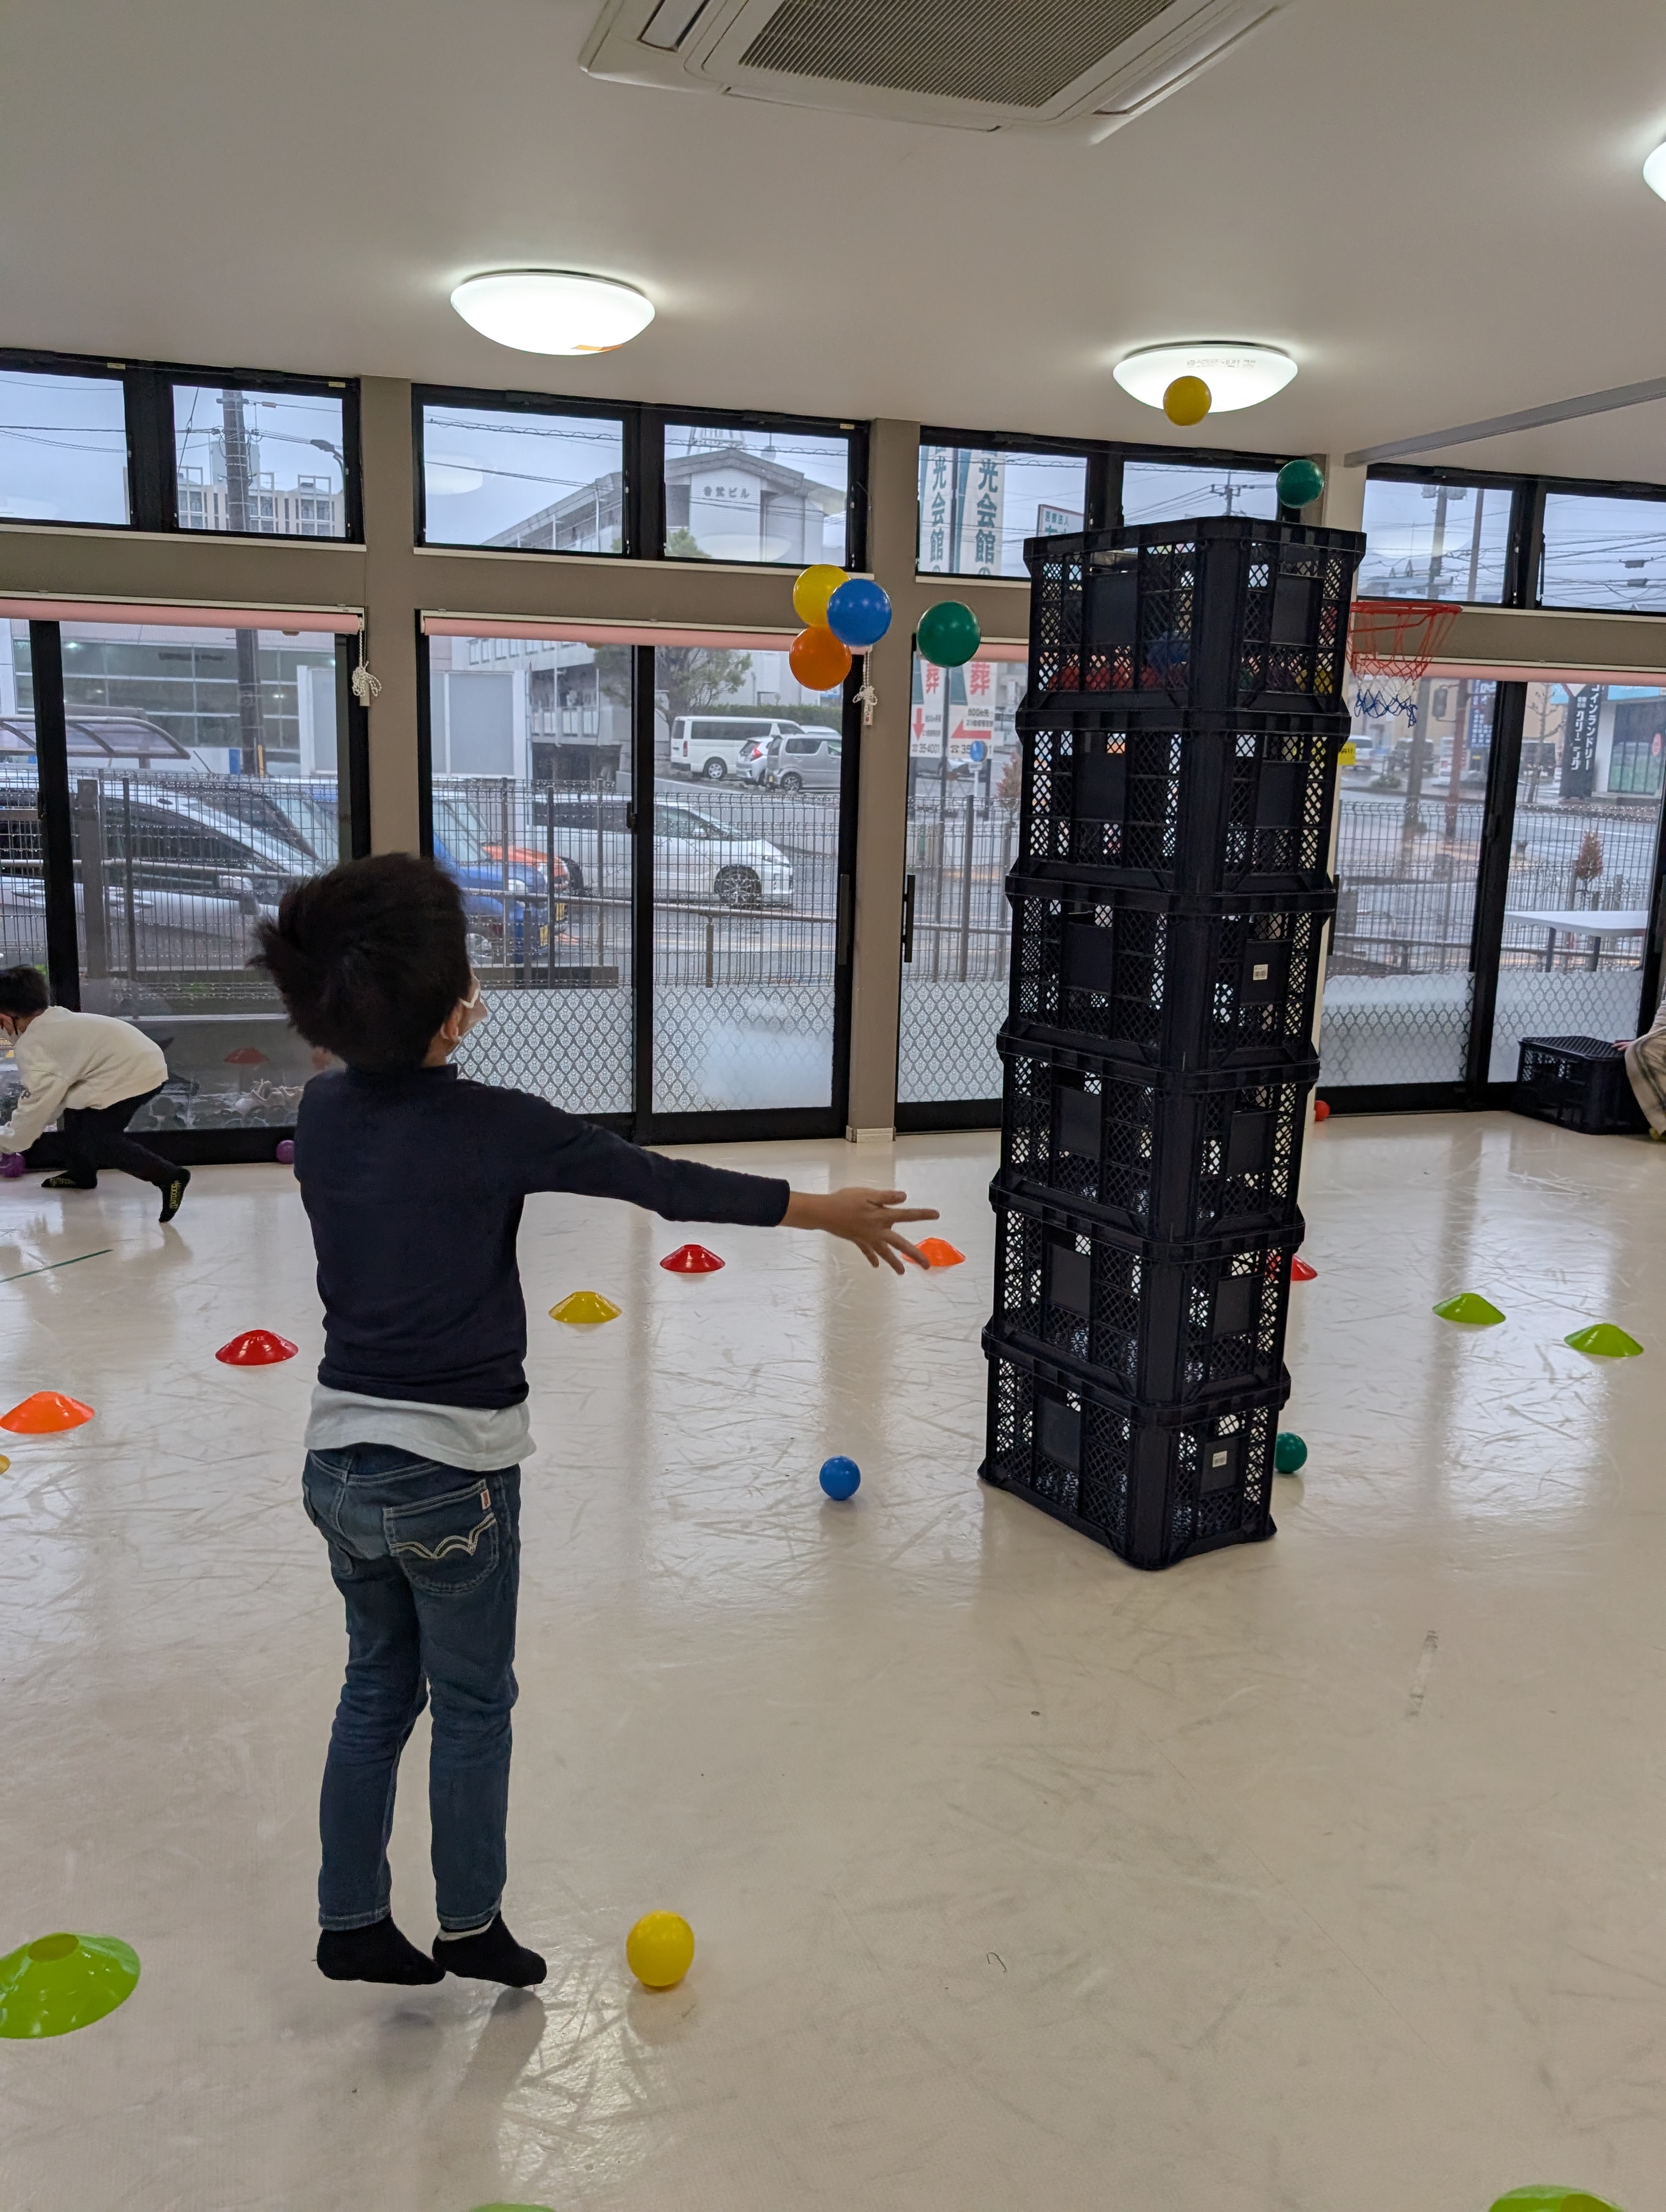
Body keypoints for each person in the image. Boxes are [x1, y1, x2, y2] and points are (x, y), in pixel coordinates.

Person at [254, 854, 937, 1991]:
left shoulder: (320, 1113)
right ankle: (469, 1926)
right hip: (452, 1475)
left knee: (375, 1686)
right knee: (473, 1704)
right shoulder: (495, 1125)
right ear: (450, 1011)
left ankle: (351, 1921)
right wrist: (821, 1209)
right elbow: (657, 1182)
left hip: (338, 1468)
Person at [0, 964, 188, 1221]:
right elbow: (49, 1101)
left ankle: (169, 1176)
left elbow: (36, 1108)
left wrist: (8, 1141)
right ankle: (82, 1174)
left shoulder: (36, 1045)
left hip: (133, 1076)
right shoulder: (53, 1019)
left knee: (99, 1139)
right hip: (137, 1063)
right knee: (75, 1112)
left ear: (6, 1018)